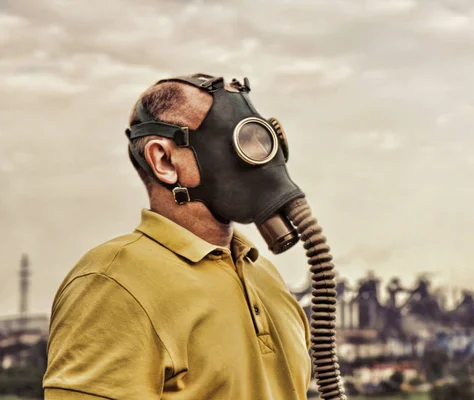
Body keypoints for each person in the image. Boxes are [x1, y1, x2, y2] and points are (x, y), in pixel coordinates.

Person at [43, 74, 312, 400]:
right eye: (239, 142)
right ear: (164, 160)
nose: (259, 157)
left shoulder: (266, 277)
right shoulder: (112, 282)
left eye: (260, 139)